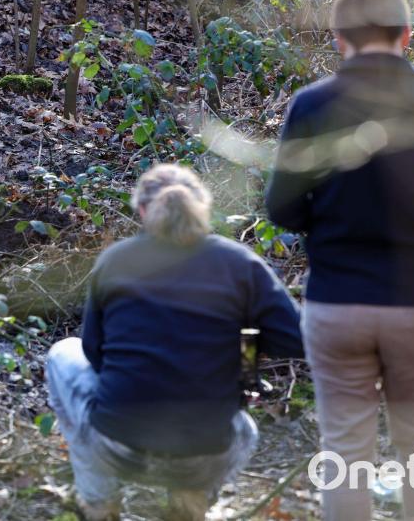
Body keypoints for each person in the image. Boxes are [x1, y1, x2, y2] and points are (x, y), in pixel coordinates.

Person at [265, 0, 414, 519]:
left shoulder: (312, 105)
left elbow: (281, 208)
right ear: (407, 34)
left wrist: (329, 222)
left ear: (339, 39)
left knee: (345, 450)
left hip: (336, 302)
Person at [46, 164, 303, 521]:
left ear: (141, 211)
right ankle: (190, 501)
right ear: (203, 209)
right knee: (245, 430)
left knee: (62, 353)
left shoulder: (117, 261)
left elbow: (93, 353)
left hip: (118, 444)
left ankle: (98, 502)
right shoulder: (240, 263)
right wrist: (245, 347)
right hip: (206, 452)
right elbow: (298, 339)